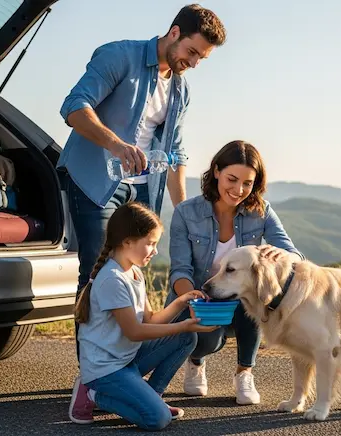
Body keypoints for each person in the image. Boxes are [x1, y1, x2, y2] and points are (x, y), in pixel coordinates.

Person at [56, 4, 226, 395]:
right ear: (174, 32)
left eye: (202, 57)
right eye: (193, 51)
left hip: (143, 189)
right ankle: (91, 384)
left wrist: (183, 210)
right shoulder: (119, 55)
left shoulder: (181, 89)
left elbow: (176, 153)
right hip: (95, 179)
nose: (195, 62)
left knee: (135, 274)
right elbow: (73, 108)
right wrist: (116, 145)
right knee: (97, 275)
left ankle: (121, 373)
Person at [167, 140, 305, 405]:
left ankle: (245, 372)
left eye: (247, 183)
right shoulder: (186, 213)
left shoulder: (261, 212)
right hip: (202, 297)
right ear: (216, 171)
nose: (239, 190)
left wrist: (284, 255)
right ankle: (196, 361)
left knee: (256, 296)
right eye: (232, 179)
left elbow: (294, 253)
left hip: (241, 301)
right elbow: (180, 270)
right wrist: (193, 300)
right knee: (207, 341)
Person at [67, 202, 219, 428]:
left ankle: (152, 395)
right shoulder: (112, 279)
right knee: (157, 419)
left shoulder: (134, 271)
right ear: (127, 241)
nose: (155, 251)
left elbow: (150, 320)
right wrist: (183, 325)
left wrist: (180, 302)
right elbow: (136, 332)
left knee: (187, 339)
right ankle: (92, 395)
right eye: (150, 243)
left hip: (127, 359)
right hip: (105, 370)